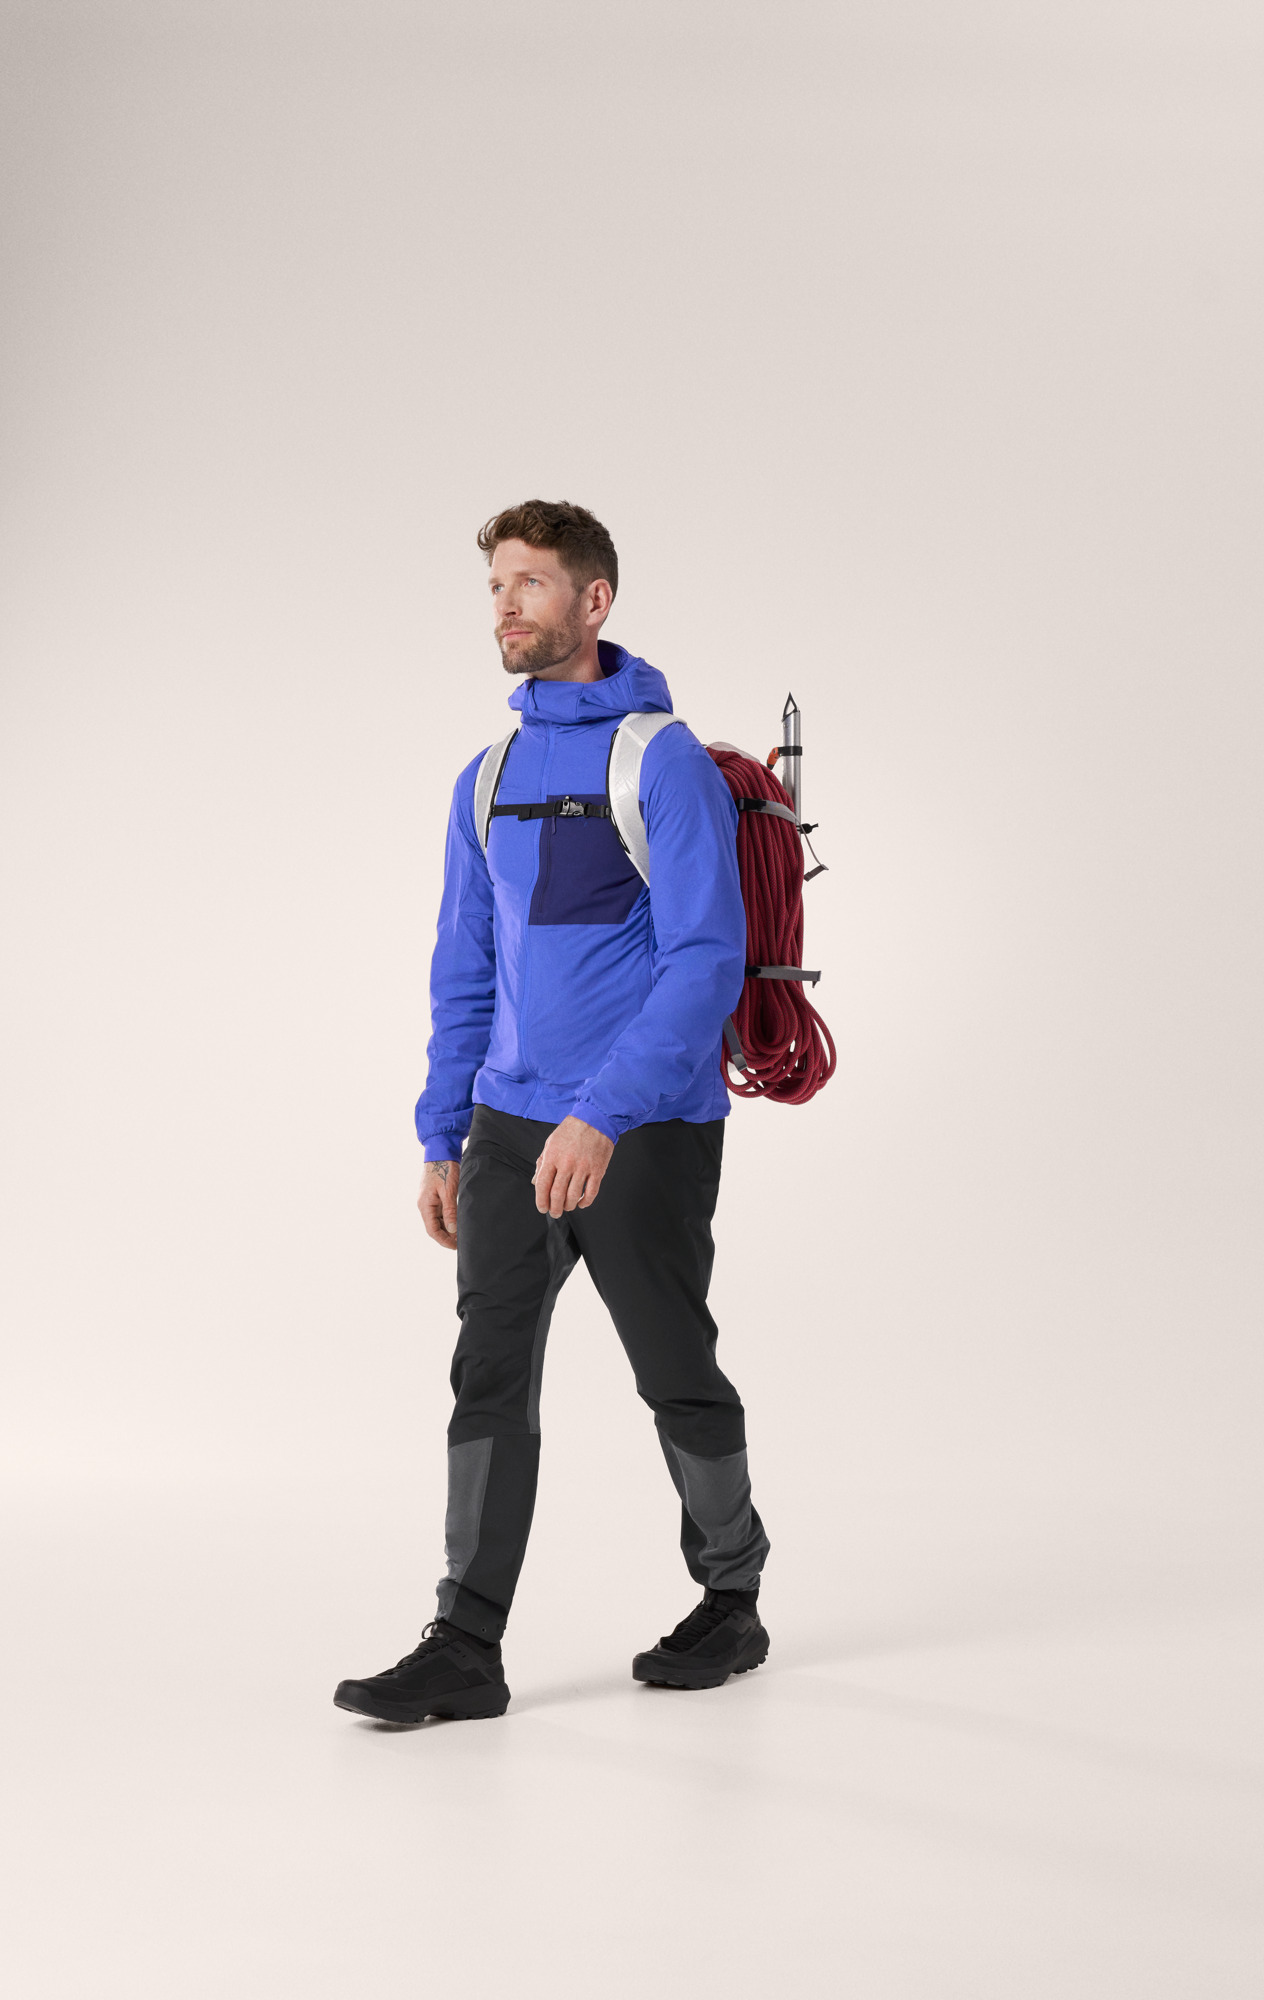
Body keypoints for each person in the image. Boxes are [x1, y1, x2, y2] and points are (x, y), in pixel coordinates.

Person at [334, 500, 770, 1725]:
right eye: (494, 586)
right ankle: (464, 1642)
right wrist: (443, 1132)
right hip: (509, 1126)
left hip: (644, 1127)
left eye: (529, 582)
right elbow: (464, 968)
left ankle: (732, 1595)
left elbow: (705, 961)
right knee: (488, 1374)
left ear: (595, 599)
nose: (505, 605)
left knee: (673, 1365)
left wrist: (605, 1114)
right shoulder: (486, 778)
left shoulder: (661, 763)